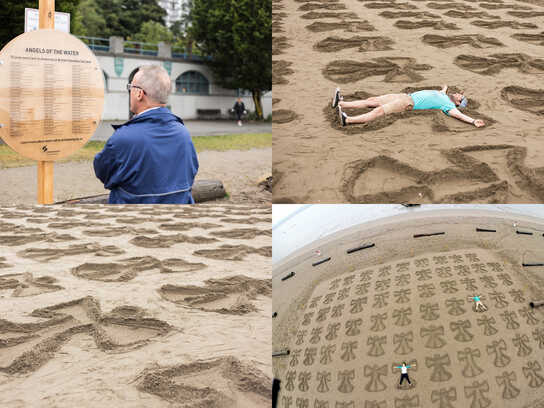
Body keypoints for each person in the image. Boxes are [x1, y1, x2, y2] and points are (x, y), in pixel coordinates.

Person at [94, 65, 199, 204]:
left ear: (139, 93)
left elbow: (103, 171)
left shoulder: (124, 137)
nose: (129, 91)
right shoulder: (183, 132)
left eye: (130, 87)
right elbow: (191, 172)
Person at [332, 86, 485, 128]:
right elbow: (443, 90)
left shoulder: (448, 105)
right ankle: (341, 103)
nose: (458, 93)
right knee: (373, 100)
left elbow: (458, 115)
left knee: (379, 111)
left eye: (460, 96)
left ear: (459, 103)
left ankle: (348, 120)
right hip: (404, 95)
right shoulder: (443, 94)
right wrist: (445, 89)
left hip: (407, 103)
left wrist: (472, 121)